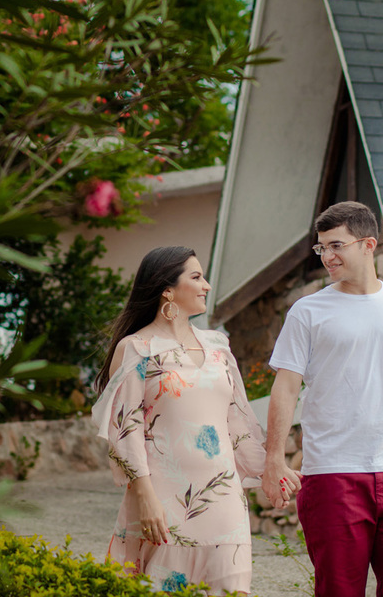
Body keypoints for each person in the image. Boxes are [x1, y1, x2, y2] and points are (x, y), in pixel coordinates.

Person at [262, 201, 383, 597]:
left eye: (337, 245)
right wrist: (273, 458)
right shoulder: (307, 312)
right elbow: (286, 387)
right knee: (339, 591)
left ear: (368, 244)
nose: (328, 256)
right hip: (332, 474)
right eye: (322, 248)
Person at [91, 246, 267, 595]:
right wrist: (145, 496)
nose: (207, 285)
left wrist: (271, 469)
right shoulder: (138, 348)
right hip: (163, 499)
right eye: (197, 277)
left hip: (224, 498)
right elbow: (126, 429)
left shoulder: (218, 347)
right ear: (167, 290)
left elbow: (237, 422)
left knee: (232, 590)